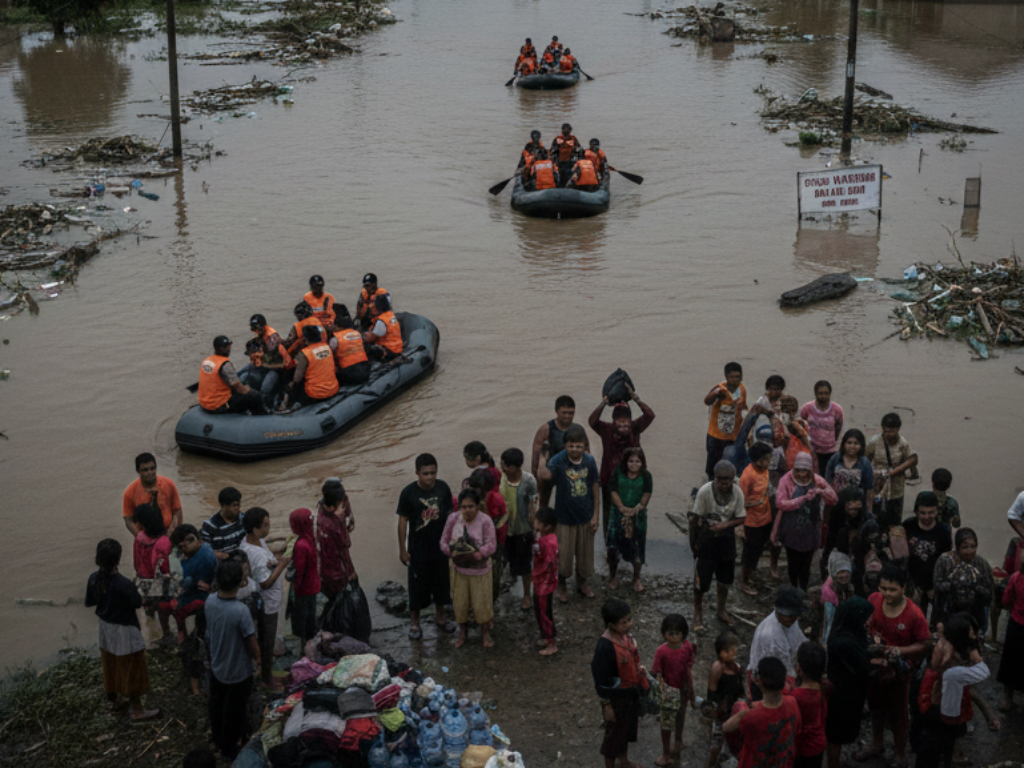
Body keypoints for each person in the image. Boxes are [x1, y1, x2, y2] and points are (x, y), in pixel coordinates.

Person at [858, 563, 930, 767]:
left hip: (900, 673)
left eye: (892, 589)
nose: (887, 594)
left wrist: (900, 651)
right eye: (883, 588)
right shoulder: (873, 600)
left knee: (899, 713)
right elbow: (866, 624)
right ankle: (876, 743)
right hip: (876, 668)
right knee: (875, 707)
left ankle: (900, 754)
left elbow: (925, 644)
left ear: (903, 588)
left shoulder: (914, 614)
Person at [85, 539, 159, 721]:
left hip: (105, 629)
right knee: (132, 667)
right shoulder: (124, 584)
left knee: (110, 664)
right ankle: (137, 709)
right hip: (125, 630)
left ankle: (115, 700)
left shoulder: (94, 579)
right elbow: (136, 603)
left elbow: (90, 602)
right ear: (118, 559)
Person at [915, 614, 992, 768]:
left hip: (939, 701)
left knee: (942, 744)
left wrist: (988, 714)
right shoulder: (948, 650)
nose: (974, 635)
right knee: (934, 745)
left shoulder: (955, 647)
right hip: (935, 702)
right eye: (970, 632)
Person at [397, 454, 456, 640]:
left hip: (440, 548)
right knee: (416, 588)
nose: (429, 477)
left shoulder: (443, 488)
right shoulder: (408, 493)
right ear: (417, 473)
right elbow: (402, 521)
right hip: (418, 550)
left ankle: (441, 618)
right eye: (425, 474)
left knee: (441, 584)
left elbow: (451, 516)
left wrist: (453, 542)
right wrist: (402, 549)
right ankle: (415, 623)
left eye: (433, 473)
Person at [204, 560, 259, 762]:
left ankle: (218, 739)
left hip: (217, 665)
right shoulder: (240, 610)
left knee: (217, 705)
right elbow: (251, 643)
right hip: (238, 671)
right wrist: (258, 658)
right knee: (234, 711)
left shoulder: (210, 601)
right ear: (241, 582)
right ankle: (229, 749)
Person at [539, 424, 600, 603]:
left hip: (585, 516)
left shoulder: (589, 461)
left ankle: (582, 584)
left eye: (578, 446)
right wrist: (543, 455)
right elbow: (543, 475)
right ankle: (563, 585)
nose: (574, 450)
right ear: (565, 445)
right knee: (563, 557)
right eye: (571, 446)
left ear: (584, 446)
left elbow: (595, 486)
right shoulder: (559, 460)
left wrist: (596, 514)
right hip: (564, 518)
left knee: (585, 556)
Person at [588, 386, 655, 538]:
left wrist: (636, 399)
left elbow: (650, 415)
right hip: (609, 481)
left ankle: (631, 545)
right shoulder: (606, 430)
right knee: (610, 516)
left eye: (626, 425)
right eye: (620, 425)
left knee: (633, 513)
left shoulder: (636, 428)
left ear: (631, 422)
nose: (624, 428)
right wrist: (603, 402)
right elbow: (592, 421)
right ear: (613, 422)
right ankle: (610, 547)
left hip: (633, 480)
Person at [591, 598, 648, 768]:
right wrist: (606, 705)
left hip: (629, 694)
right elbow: (600, 677)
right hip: (616, 699)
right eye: (624, 622)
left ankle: (624, 761)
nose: (628, 624)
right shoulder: (605, 646)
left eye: (629, 619)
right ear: (611, 624)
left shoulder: (626, 638)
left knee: (625, 730)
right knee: (613, 736)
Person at [689, 461, 745, 629]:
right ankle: (697, 613)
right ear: (715, 478)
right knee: (701, 581)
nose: (724, 485)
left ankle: (721, 609)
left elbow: (742, 518)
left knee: (725, 580)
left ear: (733, 480)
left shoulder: (737, 493)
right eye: (720, 481)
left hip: (726, 541)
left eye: (727, 481)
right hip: (707, 540)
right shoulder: (705, 492)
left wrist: (724, 525)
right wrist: (694, 546)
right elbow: (694, 520)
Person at [439, 488, 497, 649]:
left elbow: (492, 545)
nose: (467, 510)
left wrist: (478, 554)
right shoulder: (453, 519)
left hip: (480, 570)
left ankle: (485, 633)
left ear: (477, 506)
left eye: (471, 506)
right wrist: (450, 552)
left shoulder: (485, 520)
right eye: (464, 507)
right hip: (459, 569)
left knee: (482, 604)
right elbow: (443, 541)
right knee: (460, 603)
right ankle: (462, 633)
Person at [240, 507, 290, 689]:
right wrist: (281, 566)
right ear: (255, 529)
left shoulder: (249, 541)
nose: (268, 528)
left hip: (261, 599)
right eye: (265, 525)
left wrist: (274, 561)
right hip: (267, 602)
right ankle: (267, 680)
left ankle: (263, 672)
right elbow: (265, 583)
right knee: (267, 641)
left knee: (262, 636)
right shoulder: (256, 553)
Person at [773, 452, 837, 590]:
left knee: (806, 562)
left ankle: (803, 588)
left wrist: (820, 492)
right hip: (791, 527)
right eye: (798, 470)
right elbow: (780, 503)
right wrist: (801, 499)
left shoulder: (817, 480)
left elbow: (834, 499)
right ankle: (793, 586)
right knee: (792, 560)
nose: (801, 474)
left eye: (805, 471)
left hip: (811, 528)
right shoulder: (786, 480)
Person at [723, 656, 801, 768]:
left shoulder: (751, 717)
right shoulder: (792, 702)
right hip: (783, 762)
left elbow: (726, 728)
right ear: (784, 680)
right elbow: (797, 733)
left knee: (739, 705)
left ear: (758, 681)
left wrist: (742, 714)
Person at [825, 597, 875, 768]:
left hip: (851, 693)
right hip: (842, 696)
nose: (868, 622)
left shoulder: (851, 632)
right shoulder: (843, 642)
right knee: (835, 736)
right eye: (866, 618)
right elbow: (863, 666)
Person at [822, 428, 874, 577]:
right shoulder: (835, 459)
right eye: (849, 442)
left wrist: (869, 512)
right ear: (844, 444)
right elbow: (827, 482)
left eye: (856, 443)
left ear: (861, 445)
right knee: (832, 539)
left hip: (856, 510)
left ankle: (855, 572)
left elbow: (869, 489)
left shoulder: (864, 463)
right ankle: (828, 570)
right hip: (837, 508)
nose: (852, 446)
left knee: (855, 541)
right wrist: (827, 505)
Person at [606, 447, 652, 593]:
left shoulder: (646, 475)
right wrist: (621, 507)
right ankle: (612, 576)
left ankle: (636, 578)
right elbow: (612, 490)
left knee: (637, 547)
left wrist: (637, 508)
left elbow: (647, 493)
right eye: (630, 461)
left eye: (637, 461)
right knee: (613, 547)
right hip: (617, 515)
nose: (633, 464)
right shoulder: (617, 473)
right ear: (625, 462)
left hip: (637, 516)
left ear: (642, 462)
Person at [652, 614, 696, 766]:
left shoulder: (688, 647)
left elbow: (688, 668)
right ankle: (665, 752)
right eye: (671, 633)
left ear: (683, 634)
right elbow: (656, 673)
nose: (674, 636)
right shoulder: (662, 651)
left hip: (682, 689)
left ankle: (678, 741)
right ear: (664, 633)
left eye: (678, 633)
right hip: (668, 691)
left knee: (681, 715)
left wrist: (690, 690)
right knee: (666, 722)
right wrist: (662, 691)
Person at [499, 447, 539, 611]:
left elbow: (534, 504)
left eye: (504, 465)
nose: (502, 467)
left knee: (524, 565)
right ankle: (502, 585)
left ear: (513, 468)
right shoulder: (500, 479)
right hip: (503, 530)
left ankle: (527, 595)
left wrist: (535, 526)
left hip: (522, 530)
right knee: (502, 561)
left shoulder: (529, 480)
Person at [748, 585, 805, 698]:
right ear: (778, 612)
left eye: (795, 615)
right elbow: (768, 672)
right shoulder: (769, 636)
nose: (794, 619)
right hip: (771, 683)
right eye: (790, 616)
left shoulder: (790, 621)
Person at [933, 527, 993, 632]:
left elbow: (989, 592)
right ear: (957, 547)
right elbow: (937, 584)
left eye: (973, 546)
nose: (970, 551)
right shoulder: (945, 561)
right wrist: (954, 585)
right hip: (948, 611)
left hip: (973, 613)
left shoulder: (982, 564)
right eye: (965, 547)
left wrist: (974, 586)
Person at [902, 491, 952, 617]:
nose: (927, 517)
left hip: (934, 585)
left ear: (937, 511)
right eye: (922, 513)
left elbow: (945, 563)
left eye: (931, 513)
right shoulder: (908, 526)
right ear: (916, 512)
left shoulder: (943, 532)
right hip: (911, 583)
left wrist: (935, 587)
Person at [531, 394, 585, 506]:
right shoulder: (546, 429)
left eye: (571, 413)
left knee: (568, 505)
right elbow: (536, 455)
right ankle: (544, 521)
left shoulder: (578, 430)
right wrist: (535, 478)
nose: (567, 416)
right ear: (556, 411)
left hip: (570, 473)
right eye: (564, 413)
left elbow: (587, 452)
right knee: (543, 504)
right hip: (549, 471)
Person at [865, 412, 918, 528]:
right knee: (876, 518)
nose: (888, 434)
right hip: (877, 487)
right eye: (886, 431)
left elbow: (912, 459)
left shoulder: (903, 444)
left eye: (891, 431)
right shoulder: (874, 442)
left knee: (894, 521)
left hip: (896, 489)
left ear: (898, 429)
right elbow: (865, 460)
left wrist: (895, 471)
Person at [166, 524, 217, 643]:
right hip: (203, 591)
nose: (183, 550)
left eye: (184, 546)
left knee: (177, 610)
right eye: (181, 547)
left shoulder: (196, 561)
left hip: (199, 596)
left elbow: (183, 581)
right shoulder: (205, 548)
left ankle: (183, 635)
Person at [132, 503, 172, 640]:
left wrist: (138, 575)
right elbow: (165, 567)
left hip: (143, 580)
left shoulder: (139, 538)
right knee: (163, 609)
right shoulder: (164, 541)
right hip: (159, 581)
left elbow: (136, 561)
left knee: (149, 610)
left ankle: (151, 636)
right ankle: (166, 634)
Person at [704, 631, 743, 768]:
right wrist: (716, 707)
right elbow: (712, 690)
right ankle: (710, 764)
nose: (735, 653)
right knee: (716, 741)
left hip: (733, 707)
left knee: (732, 736)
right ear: (722, 653)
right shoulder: (718, 668)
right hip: (721, 710)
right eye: (732, 651)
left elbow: (739, 686)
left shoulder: (736, 667)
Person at [738, 442, 774, 596]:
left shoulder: (765, 471)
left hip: (765, 519)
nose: (769, 462)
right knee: (749, 554)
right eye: (766, 459)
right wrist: (740, 527)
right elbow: (739, 502)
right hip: (751, 523)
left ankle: (750, 576)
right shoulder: (748, 475)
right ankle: (744, 581)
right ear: (757, 460)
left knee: (758, 551)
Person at [198, 335, 266, 415]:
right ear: (218, 349)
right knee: (255, 396)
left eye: (228, 346)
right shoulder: (225, 365)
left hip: (205, 402)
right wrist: (248, 389)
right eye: (225, 347)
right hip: (219, 405)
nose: (228, 349)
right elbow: (239, 388)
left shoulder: (208, 360)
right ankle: (262, 418)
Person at [704, 362, 748, 481]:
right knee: (713, 463)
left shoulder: (742, 389)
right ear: (726, 377)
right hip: (716, 434)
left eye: (737, 377)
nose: (735, 380)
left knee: (732, 462)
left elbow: (743, 407)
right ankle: (711, 482)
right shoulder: (720, 389)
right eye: (732, 377)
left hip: (733, 434)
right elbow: (707, 401)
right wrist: (715, 393)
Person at [315, 480, 357, 601]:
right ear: (333, 507)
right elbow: (345, 545)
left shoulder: (321, 507)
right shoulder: (331, 526)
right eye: (342, 507)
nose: (344, 509)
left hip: (328, 573)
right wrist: (348, 575)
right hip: (335, 577)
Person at [122, 452, 182, 536]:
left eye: (152, 468)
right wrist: (140, 537)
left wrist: (173, 533)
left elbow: (177, 510)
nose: (150, 472)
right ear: (138, 471)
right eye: (145, 470)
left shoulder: (168, 484)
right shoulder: (129, 492)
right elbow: (128, 519)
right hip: (145, 536)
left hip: (169, 533)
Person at [240, 314, 291, 411]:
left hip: (277, 367)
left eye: (258, 329)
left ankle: (267, 408)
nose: (256, 331)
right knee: (241, 376)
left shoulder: (272, 338)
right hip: (265, 363)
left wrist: (261, 362)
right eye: (254, 329)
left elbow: (276, 361)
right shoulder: (261, 335)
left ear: (264, 326)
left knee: (265, 389)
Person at [282, 326, 339, 409]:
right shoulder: (327, 347)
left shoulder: (304, 354)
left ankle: (286, 406)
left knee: (291, 384)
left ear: (305, 338)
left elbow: (297, 378)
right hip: (333, 389)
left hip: (314, 394)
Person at [792, 642, 828, 768]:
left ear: (799, 668)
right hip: (819, 742)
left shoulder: (797, 696)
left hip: (804, 748)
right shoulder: (824, 687)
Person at [288, 507, 320, 645]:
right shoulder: (311, 538)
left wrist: (296, 590)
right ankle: (310, 642)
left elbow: (299, 572)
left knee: (300, 620)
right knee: (310, 618)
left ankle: (302, 646)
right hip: (313, 585)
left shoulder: (300, 545)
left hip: (303, 589)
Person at [998, 550, 1024, 711]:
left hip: (1016, 625)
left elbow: (1006, 600)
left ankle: (1007, 700)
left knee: (1011, 662)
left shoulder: (1016, 578)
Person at [800, 381, 844, 475]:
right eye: (820, 393)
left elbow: (838, 427)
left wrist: (831, 440)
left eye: (826, 393)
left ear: (830, 393)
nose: (823, 396)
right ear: (815, 393)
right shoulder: (807, 408)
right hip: (812, 450)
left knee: (827, 477)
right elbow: (802, 425)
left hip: (830, 451)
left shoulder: (837, 409)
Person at [532, 506, 559, 656]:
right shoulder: (547, 538)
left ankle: (551, 642)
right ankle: (546, 636)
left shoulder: (548, 543)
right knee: (541, 611)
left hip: (544, 583)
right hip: (542, 583)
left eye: (538, 523)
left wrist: (535, 574)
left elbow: (546, 564)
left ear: (547, 526)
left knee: (544, 613)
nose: (536, 526)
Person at [201, 487, 245, 559]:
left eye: (238, 505)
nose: (237, 508)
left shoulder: (244, 519)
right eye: (234, 505)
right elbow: (205, 551)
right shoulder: (210, 526)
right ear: (224, 506)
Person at [820, 552, 853, 642]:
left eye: (846, 572)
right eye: (840, 572)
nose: (844, 576)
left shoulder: (847, 586)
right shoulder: (829, 592)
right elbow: (830, 621)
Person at [331, 313, 371, 385]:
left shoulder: (335, 340)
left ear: (338, 327)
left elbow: (329, 355)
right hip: (365, 369)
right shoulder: (357, 333)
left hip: (349, 373)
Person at [362, 295, 403, 360]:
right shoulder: (390, 314)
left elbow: (370, 339)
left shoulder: (381, 321)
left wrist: (362, 336)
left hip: (389, 351)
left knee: (366, 348)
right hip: (397, 348)